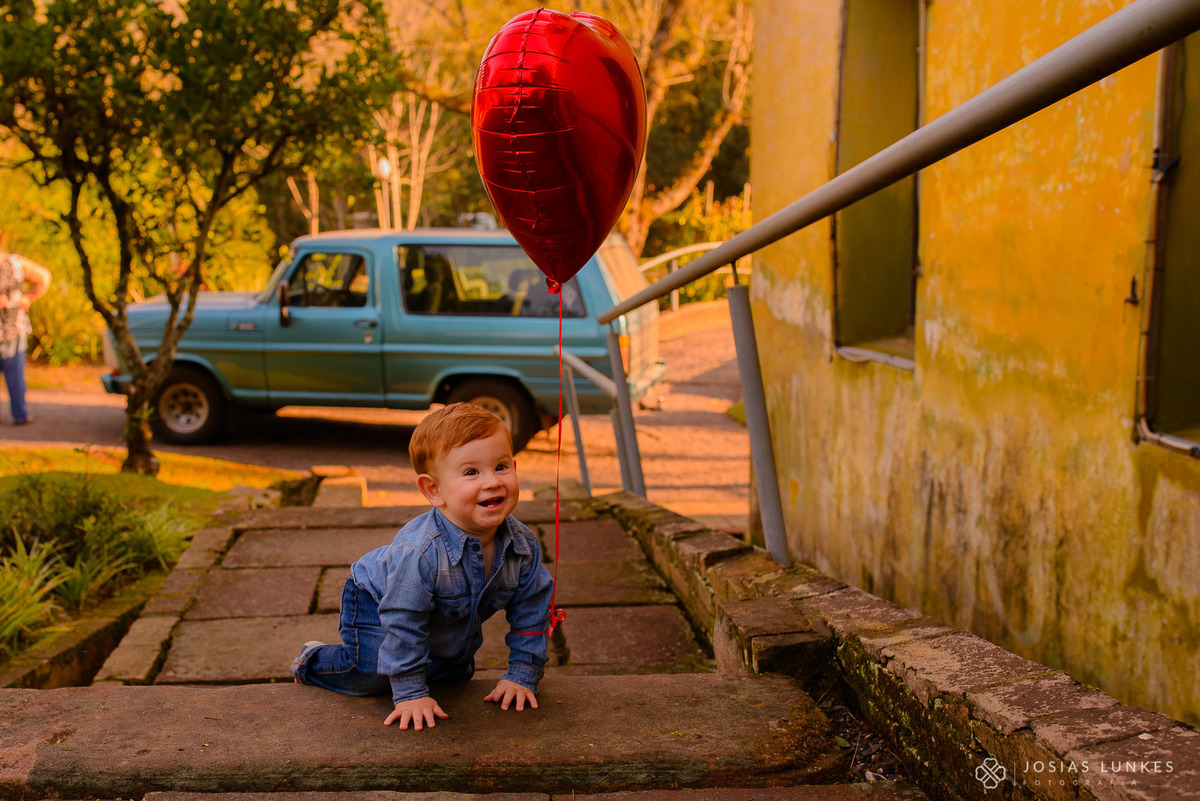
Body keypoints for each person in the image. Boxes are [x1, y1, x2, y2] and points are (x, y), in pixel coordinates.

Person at [290, 403, 554, 731]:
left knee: (451, 673)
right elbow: (404, 621)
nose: (492, 482)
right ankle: (312, 660)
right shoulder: (421, 552)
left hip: (441, 613)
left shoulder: (522, 546)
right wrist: (411, 693)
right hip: (376, 598)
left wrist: (522, 676)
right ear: (434, 490)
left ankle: (421, 670)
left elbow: (533, 610)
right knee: (372, 674)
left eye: (501, 467)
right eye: (472, 472)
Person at [0, 226, 52, 426]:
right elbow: (44, 278)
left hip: (13, 327)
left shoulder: (14, 263)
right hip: (14, 327)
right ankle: (20, 415)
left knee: (15, 376)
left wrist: (28, 297)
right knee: (15, 374)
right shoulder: (15, 263)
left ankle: (20, 414)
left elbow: (44, 278)